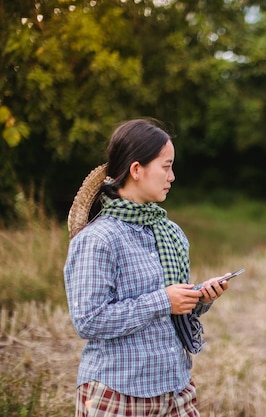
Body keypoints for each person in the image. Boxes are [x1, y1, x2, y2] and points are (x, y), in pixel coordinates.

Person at [64, 118, 231, 417]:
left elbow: (175, 311)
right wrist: (163, 301)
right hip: (117, 392)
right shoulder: (99, 239)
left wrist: (200, 298)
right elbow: (88, 320)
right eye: (166, 166)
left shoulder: (171, 233)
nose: (172, 176)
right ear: (136, 169)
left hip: (175, 387)